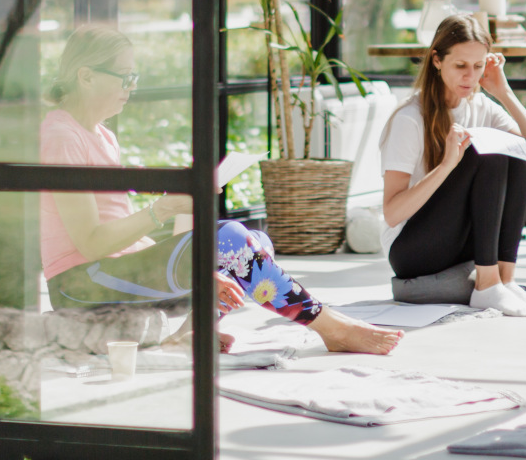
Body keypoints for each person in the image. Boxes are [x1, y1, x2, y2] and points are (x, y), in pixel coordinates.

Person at [40, 25, 400, 355]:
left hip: (112, 271)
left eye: (134, 77)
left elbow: (120, 234)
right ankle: (330, 326)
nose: (131, 87)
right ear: (85, 76)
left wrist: (203, 269)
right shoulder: (61, 136)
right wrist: (162, 211)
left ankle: (189, 333)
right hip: (80, 285)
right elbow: (90, 244)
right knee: (229, 240)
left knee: (255, 244)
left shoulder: (102, 136)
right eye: (124, 77)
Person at [381, 12, 526, 316]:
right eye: (460, 65)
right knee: (481, 149)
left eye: (478, 66)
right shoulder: (409, 119)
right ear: (437, 60)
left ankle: (504, 279)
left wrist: (503, 92)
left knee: (513, 149)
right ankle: (487, 287)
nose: (470, 76)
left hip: (460, 240)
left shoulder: (481, 105)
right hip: (412, 250)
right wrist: (448, 165)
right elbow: (392, 213)